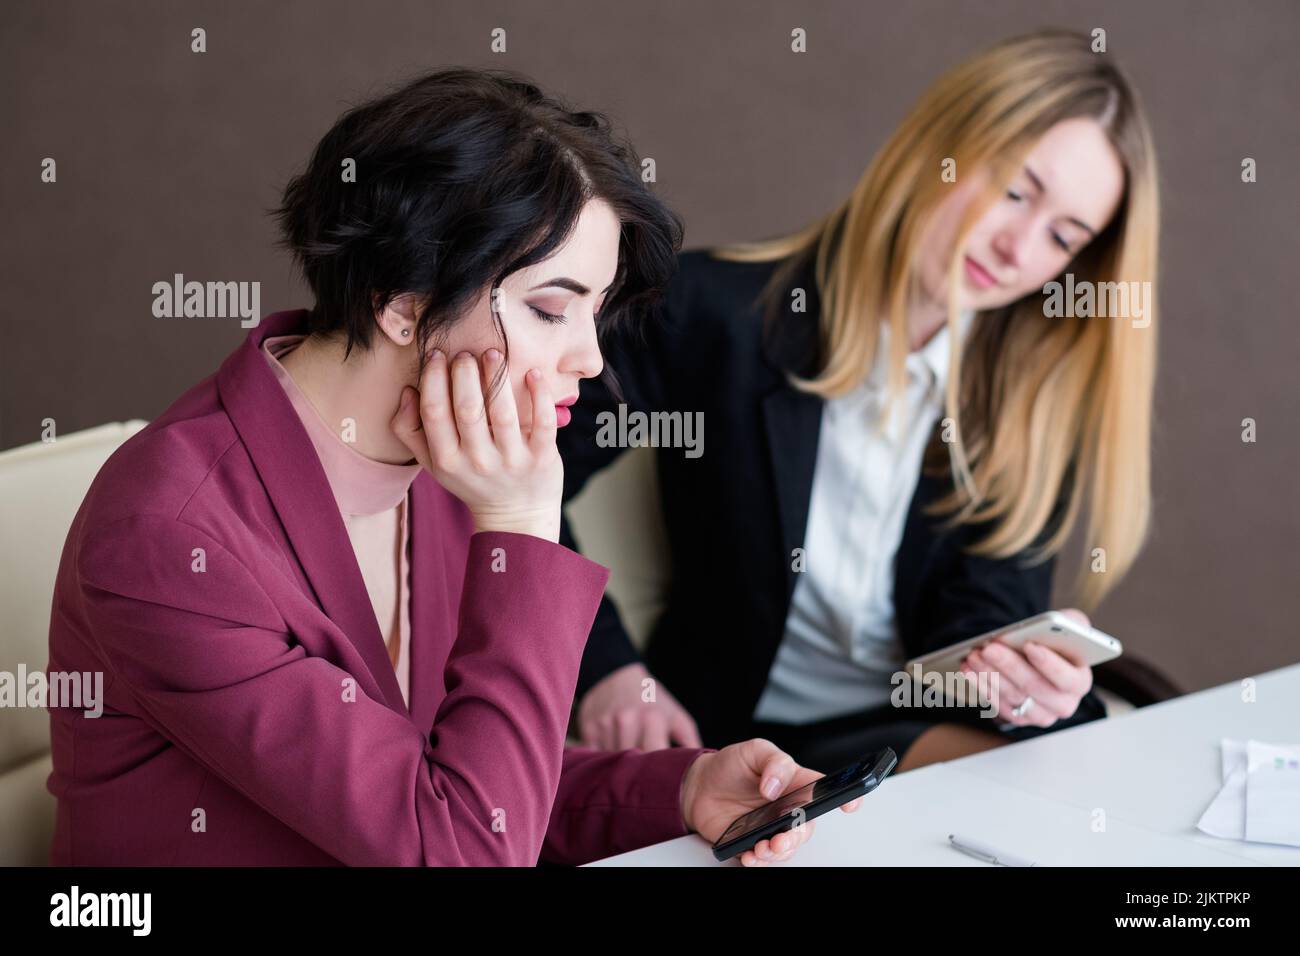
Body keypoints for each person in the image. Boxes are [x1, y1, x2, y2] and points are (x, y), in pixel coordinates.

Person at [45, 68, 861, 867]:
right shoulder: (171, 538)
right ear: (402, 302)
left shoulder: (441, 459)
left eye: (595, 312)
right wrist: (520, 526)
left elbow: (458, 778)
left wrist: (681, 789)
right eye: (550, 309)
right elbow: (462, 845)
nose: (589, 358)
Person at [562, 30, 1159, 772]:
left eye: (1063, 237)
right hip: (727, 731)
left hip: (901, 721)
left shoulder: (1029, 394)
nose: (1020, 250)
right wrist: (607, 668)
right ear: (935, 148)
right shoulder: (713, 315)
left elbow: (979, 613)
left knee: (1063, 754)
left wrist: (1020, 667)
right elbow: (523, 485)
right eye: (1013, 191)